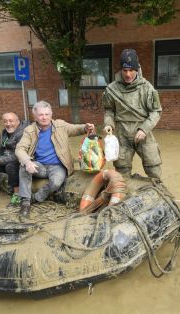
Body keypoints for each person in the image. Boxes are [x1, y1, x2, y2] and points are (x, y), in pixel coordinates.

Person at [15, 101, 95, 218]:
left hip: (58, 166)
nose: (44, 117)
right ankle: (25, 202)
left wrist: (85, 127)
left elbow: (75, 129)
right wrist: (27, 162)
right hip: (40, 166)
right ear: (35, 116)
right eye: (41, 115)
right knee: (23, 167)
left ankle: (36, 198)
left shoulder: (60, 125)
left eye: (47, 114)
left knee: (56, 183)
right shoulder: (29, 130)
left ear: (51, 114)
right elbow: (19, 149)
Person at [102, 48, 163, 179]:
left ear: (137, 68)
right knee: (121, 172)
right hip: (122, 134)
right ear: (120, 70)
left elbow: (156, 111)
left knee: (154, 169)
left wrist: (144, 129)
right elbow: (109, 110)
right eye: (125, 70)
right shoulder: (111, 89)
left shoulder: (147, 88)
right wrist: (109, 124)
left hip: (143, 133)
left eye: (131, 70)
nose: (128, 74)